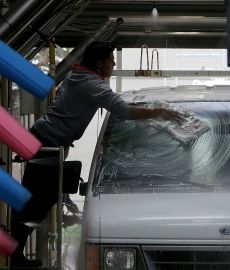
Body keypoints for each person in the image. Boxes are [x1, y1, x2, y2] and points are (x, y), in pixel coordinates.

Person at [10, 41, 184, 268]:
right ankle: (15, 257)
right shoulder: (93, 85)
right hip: (47, 142)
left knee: (39, 199)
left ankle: (16, 255)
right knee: (38, 201)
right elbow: (123, 110)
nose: (114, 63)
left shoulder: (76, 75)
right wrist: (160, 112)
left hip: (45, 138)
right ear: (100, 63)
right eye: (111, 59)